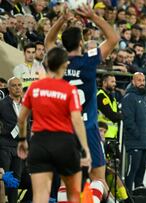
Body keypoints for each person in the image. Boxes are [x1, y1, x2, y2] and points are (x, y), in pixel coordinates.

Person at [44, 5, 119, 200]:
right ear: (81, 42)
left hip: (64, 128)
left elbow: (49, 41)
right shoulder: (89, 60)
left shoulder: (58, 60)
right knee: (98, 179)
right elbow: (113, 39)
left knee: (65, 181)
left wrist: (60, 20)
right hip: (88, 127)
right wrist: (93, 16)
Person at [16, 47, 91, 202]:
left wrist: (22, 140)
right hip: (64, 143)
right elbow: (77, 121)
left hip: (39, 143)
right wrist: (85, 149)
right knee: (74, 195)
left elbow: (22, 118)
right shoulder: (69, 90)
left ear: (46, 63)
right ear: (65, 64)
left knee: (40, 197)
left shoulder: (34, 88)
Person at [122, 72, 146, 191]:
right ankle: (128, 198)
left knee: (141, 173)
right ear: (133, 82)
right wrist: (139, 135)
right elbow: (128, 121)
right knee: (132, 172)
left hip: (145, 143)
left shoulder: (144, 98)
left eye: (143, 80)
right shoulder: (129, 98)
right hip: (135, 142)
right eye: (139, 80)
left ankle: (139, 197)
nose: (142, 83)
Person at [0, 77, 23, 203]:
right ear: (8, 88)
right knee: (4, 178)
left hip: (19, 147)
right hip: (5, 146)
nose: (18, 87)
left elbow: (28, 126)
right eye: (14, 85)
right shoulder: (2, 104)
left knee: (16, 179)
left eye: (19, 85)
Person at [97, 74, 122, 139]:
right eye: (112, 82)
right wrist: (123, 115)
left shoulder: (112, 98)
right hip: (103, 136)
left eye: (115, 82)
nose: (115, 84)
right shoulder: (100, 96)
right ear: (104, 83)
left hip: (112, 136)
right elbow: (112, 116)